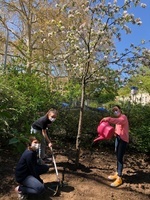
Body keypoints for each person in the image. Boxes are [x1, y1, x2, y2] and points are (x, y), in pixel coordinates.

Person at [101, 105, 129, 187]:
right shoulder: (118, 120)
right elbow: (118, 128)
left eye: (116, 110)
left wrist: (108, 119)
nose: (115, 112)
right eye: (114, 111)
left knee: (120, 157)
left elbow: (118, 121)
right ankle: (117, 173)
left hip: (123, 140)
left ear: (120, 109)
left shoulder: (123, 117)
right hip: (118, 138)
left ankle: (119, 178)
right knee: (117, 155)